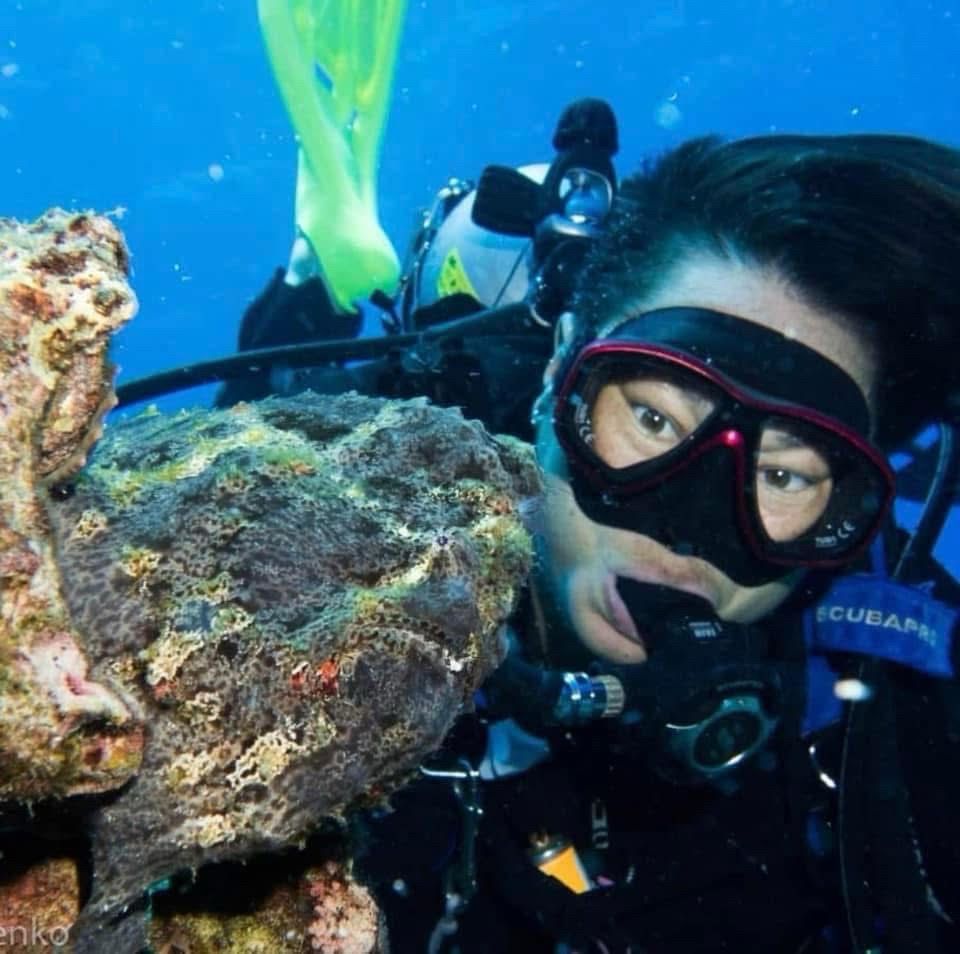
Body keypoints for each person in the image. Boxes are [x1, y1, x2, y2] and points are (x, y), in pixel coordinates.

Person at [207, 114, 960, 951]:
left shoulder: (885, 696)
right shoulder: (365, 544)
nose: (688, 531)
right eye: (652, 418)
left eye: (784, 476)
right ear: (563, 363)